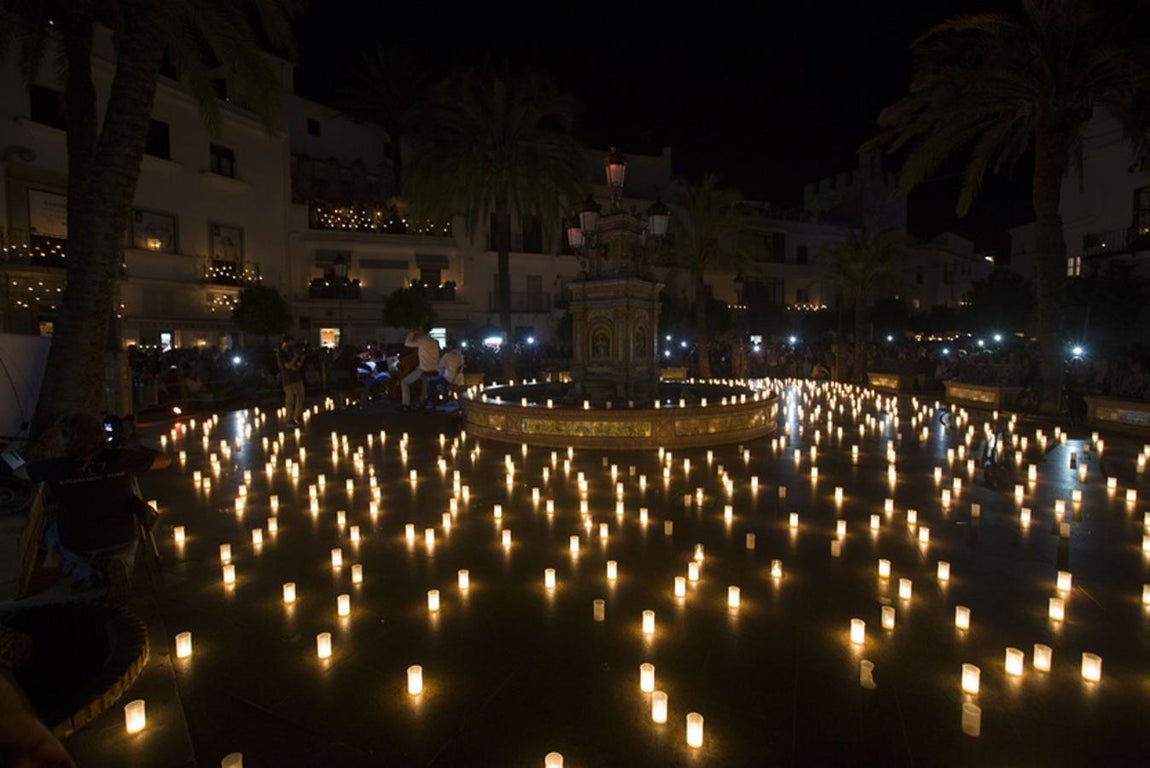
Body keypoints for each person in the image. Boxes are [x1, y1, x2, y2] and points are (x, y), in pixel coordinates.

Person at [25, 413, 171, 601]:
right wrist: (134, 447)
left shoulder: (56, 466)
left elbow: (20, 471)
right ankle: (120, 566)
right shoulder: (120, 457)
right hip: (121, 536)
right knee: (121, 541)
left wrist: (48, 458)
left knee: (52, 531)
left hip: (79, 539)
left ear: (65, 438)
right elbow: (165, 460)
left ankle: (84, 575)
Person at [401, 325, 440, 410]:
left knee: (404, 382)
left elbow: (407, 343)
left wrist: (412, 332)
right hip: (434, 368)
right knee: (424, 379)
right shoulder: (433, 341)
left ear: (421, 330)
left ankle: (406, 404)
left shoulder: (423, 340)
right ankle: (423, 399)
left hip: (424, 369)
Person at [276, 334, 306, 426]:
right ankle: (289, 419)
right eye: (290, 343)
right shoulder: (280, 353)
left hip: (297, 377)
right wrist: (295, 357)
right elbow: (288, 366)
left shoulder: (291, 352)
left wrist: (302, 358)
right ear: (285, 343)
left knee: (301, 397)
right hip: (288, 379)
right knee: (290, 400)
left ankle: (297, 416)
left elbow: (298, 365)